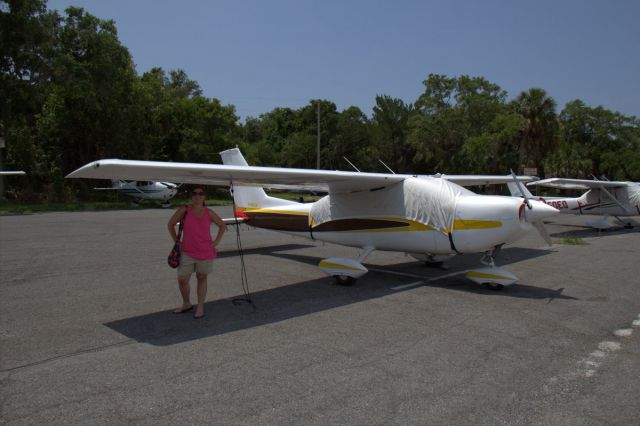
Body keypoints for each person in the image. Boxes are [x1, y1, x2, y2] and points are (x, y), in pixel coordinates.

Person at [167, 186, 225, 319]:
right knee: (182, 279)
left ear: (204, 197)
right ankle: (186, 303)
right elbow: (170, 224)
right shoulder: (184, 210)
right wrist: (177, 241)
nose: (197, 196)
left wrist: (216, 242)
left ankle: (200, 307)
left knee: (202, 278)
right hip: (187, 252)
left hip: (205, 252)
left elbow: (222, 225)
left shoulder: (209, 212)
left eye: (201, 194)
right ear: (191, 196)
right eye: (194, 193)